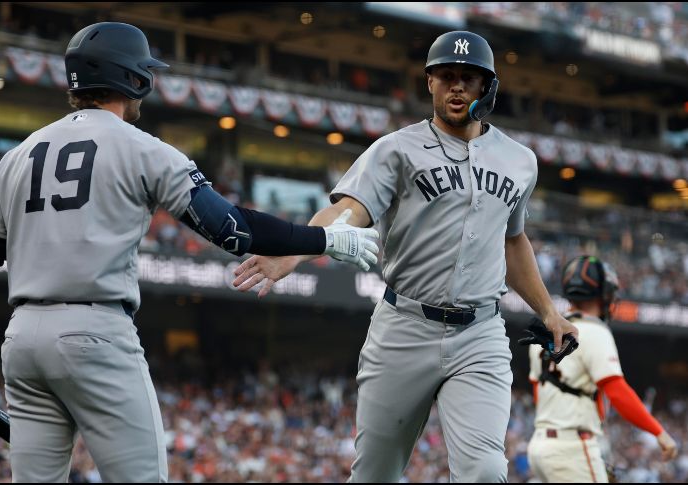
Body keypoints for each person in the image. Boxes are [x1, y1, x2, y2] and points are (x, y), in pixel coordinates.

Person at [0, 22, 379, 483]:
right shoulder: (142, 148)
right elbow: (233, 230)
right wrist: (324, 239)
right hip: (95, 333)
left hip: (23, 341)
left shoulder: (19, 154)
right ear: (131, 78)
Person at [232, 30, 579, 482]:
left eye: (469, 78)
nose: (457, 87)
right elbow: (349, 210)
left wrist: (550, 312)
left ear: (487, 86)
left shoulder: (520, 161)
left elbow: (513, 241)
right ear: (430, 82)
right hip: (404, 328)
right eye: (446, 76)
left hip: (479, 334)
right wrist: (294, 250)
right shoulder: (395, 149)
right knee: (375, 474)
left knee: (485, 470)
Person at [525, 255, 679, 482]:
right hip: (572, 448)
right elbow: (616, 390)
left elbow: (539, 392)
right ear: (604, 294)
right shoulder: (594, 330)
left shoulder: (547, 332)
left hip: (540, 446)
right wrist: (659, 431)